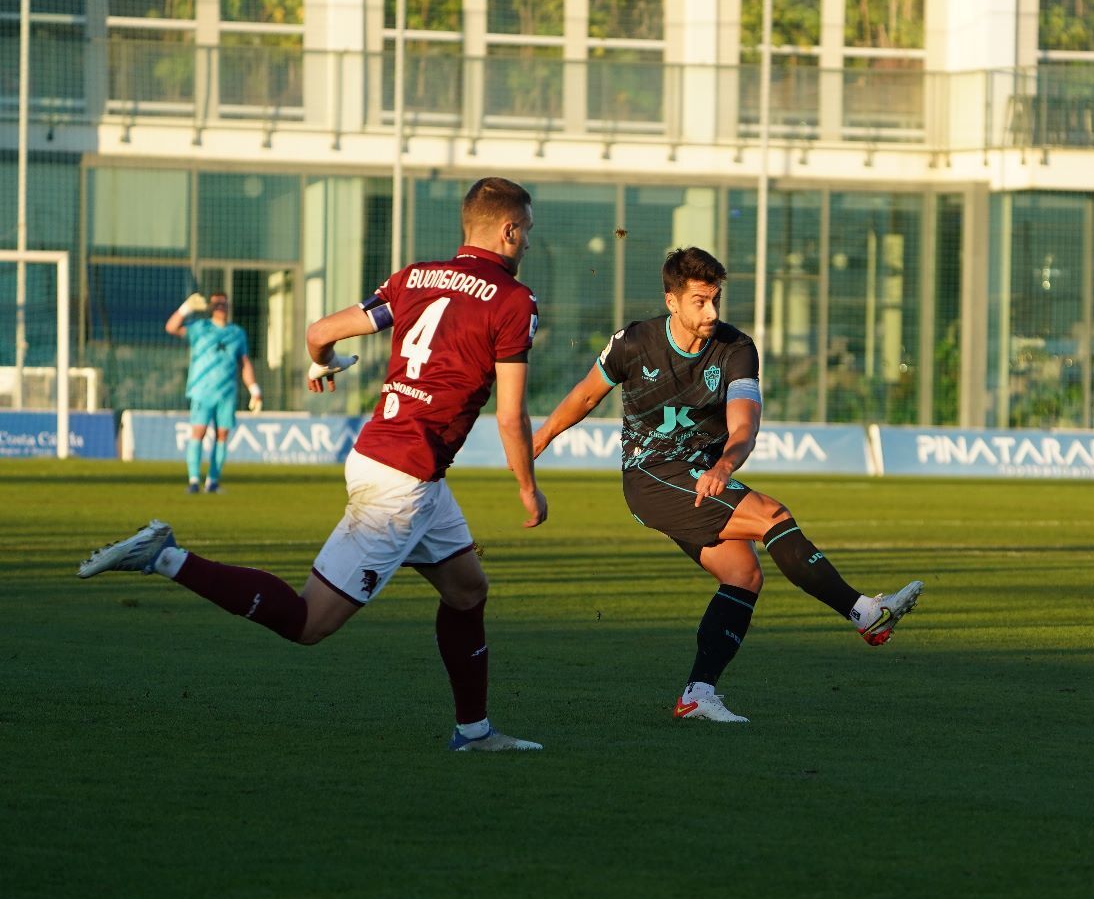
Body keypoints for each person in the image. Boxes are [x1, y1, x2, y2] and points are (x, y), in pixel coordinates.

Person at [80, 177, 548, 752]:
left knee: (467, 591)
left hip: (392, 460)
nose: (527, 242)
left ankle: (474, 732)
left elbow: (319, 332)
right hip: (403, 481)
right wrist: (528, 488)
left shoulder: (414, 278)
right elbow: (510, 416)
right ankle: (166, 557)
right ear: (508, 229)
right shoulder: (513, 300)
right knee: (308, 623)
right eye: (526, 231)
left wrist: (324, 363)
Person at [531, 246, 922, 723]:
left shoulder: (737, 349)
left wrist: (725, 466)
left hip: (703, 476)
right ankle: (864, 613)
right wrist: (537, 441)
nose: (711, 312)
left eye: (716, 300)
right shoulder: (635, 342)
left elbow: (744, 428)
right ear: (672, 301)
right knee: (772, 516)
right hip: (651, 474)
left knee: (743, 576)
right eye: (700, 301)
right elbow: (586, 394)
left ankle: (697, 695)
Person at [164, 291, 262, 493]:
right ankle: (193, 481)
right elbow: (171, 327)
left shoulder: (237, 333)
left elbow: (244, 363)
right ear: (210, 306)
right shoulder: (201, 328)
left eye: (224, 304)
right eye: (217, 304)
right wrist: (186, 308)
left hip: (227, 392)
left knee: (222, 435)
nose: (221, 307)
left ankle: (213, 482)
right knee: (198, 432)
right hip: (202, 390)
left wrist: (254, 389)